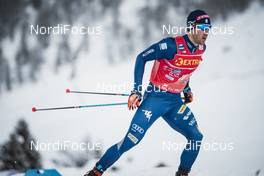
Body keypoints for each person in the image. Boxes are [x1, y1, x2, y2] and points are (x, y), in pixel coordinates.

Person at [84, 9, 211, 176]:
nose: (206, 32)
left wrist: (186, 89)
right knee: (130, 140)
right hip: (155, 98)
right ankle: (95, 172)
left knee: (196, 137)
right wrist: (136, 91)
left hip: (174, 102)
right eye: (202, 27)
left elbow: (185, 70)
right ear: (191, 27)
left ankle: (182, 174)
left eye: (209, 28)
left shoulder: (201, 48)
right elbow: (141, 57)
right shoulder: (171, 45)